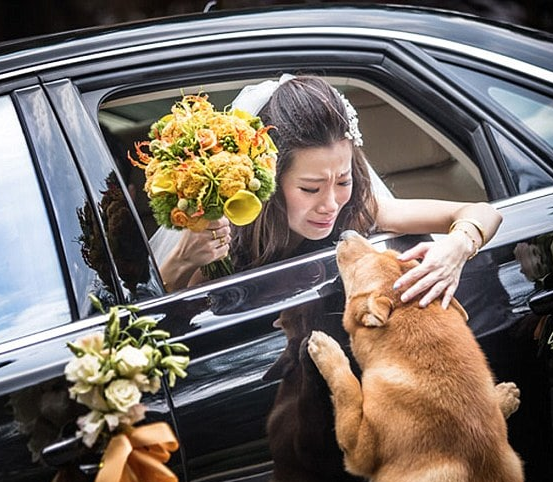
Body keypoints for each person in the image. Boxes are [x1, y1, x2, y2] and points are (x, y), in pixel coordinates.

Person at [156, 74, 502, 310]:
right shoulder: (226, 239)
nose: (331, 204)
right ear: (271, 184)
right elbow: (175, 321)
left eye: (343, 180)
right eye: (310, 188)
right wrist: (181, 261)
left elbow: (482, 212)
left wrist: (458, 247)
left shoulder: (359, 208)